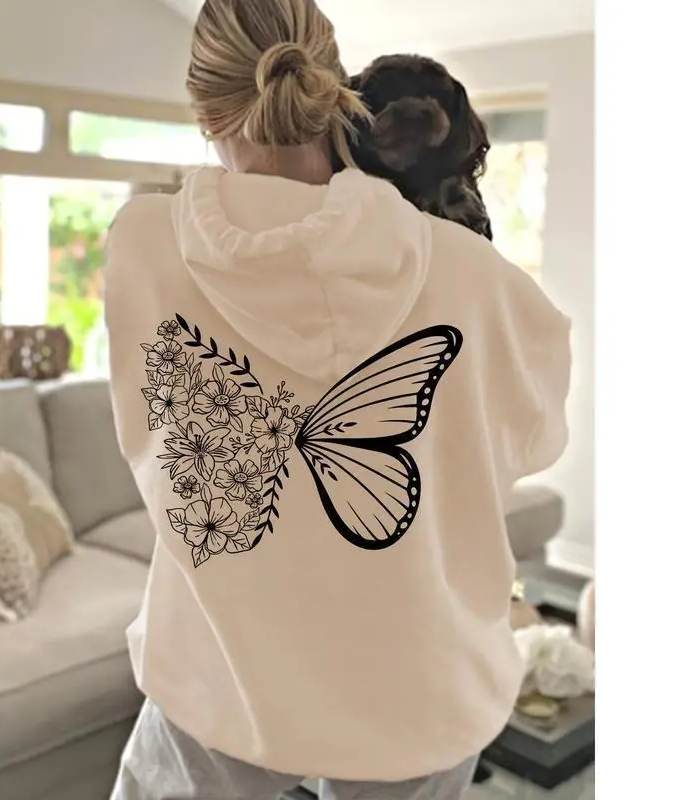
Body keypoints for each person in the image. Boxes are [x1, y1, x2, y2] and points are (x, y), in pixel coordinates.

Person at [104, 1, 572, 798]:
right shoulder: (475, 276)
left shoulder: (144, 242)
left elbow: (150, 435)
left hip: (218, 670)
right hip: (421, 678)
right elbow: (530, 442)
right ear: (335, 92)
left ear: (205, 111)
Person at [342, 54, 493, 240]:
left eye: (431, 100)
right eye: (385, 100)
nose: (411, 117)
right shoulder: (345, 196)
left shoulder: (458, 202)